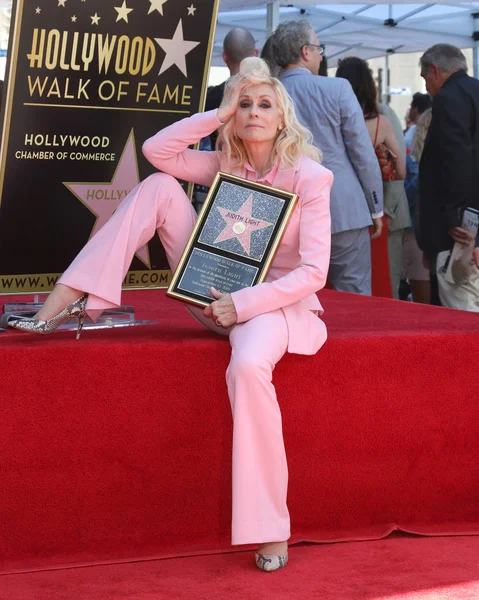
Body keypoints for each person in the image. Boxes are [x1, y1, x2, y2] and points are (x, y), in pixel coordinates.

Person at [0, 57, 333, 573]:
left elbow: (314, 272)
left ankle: (271, 529)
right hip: (208, 292)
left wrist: (242, 304)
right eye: (244, 103)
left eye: (264, 104)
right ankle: (61, 304)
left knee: (246, 367)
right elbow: (158, 152)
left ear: (283, 117)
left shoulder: (311, 178)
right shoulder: (223, 161)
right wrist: (216, 113)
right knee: (156, 187)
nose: (253, 112)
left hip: (268, 307)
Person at [271, 21, 384, 296]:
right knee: (354, 294)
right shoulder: (339, 89)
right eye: (319, 49)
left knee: (290, 297)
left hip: (285, 208)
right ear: (305, 51)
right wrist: (376, 207)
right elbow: (362, 153)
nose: (322, 56)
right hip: (343, 208)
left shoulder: (267, 95)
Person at [335, 57, 407, 299]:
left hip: (338, 213)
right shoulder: (381, 123)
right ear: (369, 85)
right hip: (375, 212)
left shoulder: (330, 122)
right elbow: (402, 172)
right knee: (377, 285)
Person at [418, 44, 479, 306]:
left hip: (458, 227)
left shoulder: (448, 97)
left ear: (434, 70)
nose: (426, 88)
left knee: (460, 304)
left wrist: (456, 216)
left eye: (425, 79)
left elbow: (455, 160)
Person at [205, 27, 257, 148]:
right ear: (255, 54)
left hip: (219, 163)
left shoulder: (209, 97)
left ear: (224, 56)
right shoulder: (267, 94)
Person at [403, 109, 432, 304]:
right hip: (425, 233)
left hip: (417, 233)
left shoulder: (414, 163)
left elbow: (409, 195)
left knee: (424, 305)